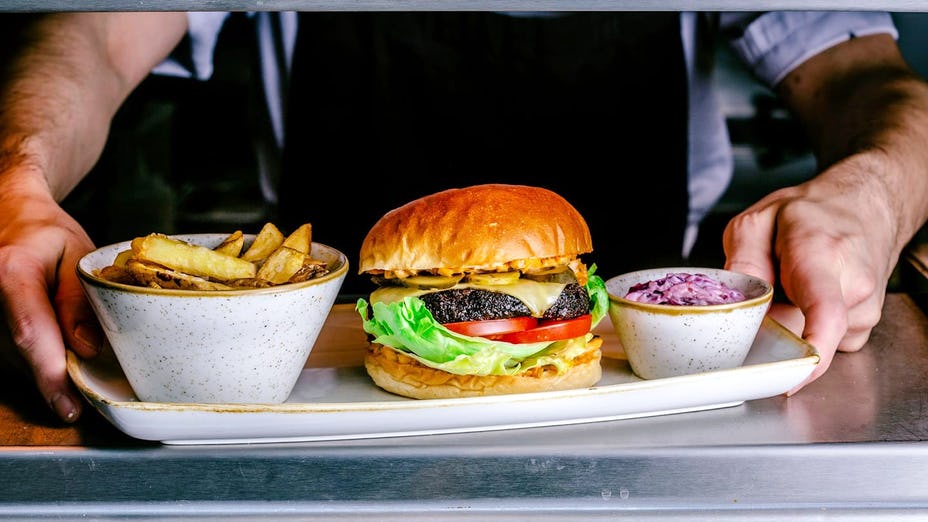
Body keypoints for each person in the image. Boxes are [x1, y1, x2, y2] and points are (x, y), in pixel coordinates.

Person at [1, 11, 927, 423]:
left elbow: (866, 74)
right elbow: (93, 31)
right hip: (312, 354)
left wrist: (879, 187)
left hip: (640, 378)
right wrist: (18, 178)